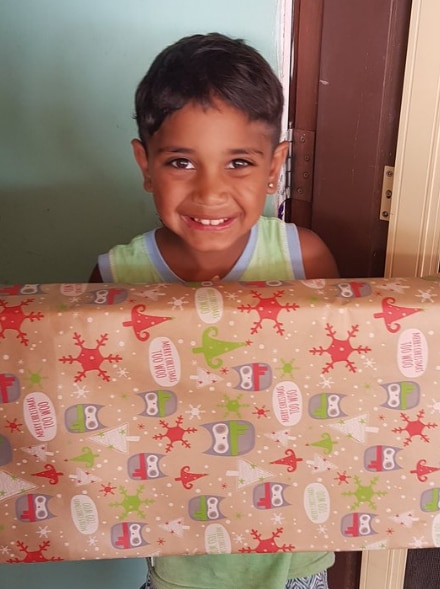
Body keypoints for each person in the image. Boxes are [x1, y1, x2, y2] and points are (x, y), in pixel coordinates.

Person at [91, 32, 338, 589]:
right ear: (145, 164)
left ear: (275, 166)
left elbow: (341, 394)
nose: (210, 192)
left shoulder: (305, 257)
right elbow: (100, 414)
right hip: (181, 556)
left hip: (292, 547)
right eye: (182, 161)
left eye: (239, 163)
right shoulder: (112, 279)